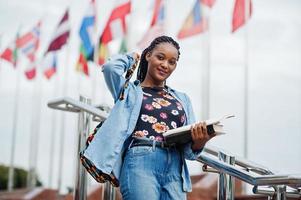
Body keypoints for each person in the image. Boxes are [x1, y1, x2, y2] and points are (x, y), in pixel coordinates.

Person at [83, 36, 215, 199]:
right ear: (148, 56)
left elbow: (189, 153)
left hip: (175, 168)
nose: (165, 65)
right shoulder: (130, 91)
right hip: (140, 162)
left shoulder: (183, 99)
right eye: (160, 57)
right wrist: (132, 57)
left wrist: (200, 141)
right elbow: (110, 67)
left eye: (172, 62)